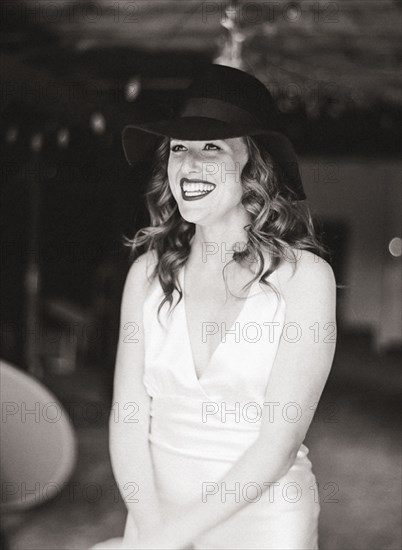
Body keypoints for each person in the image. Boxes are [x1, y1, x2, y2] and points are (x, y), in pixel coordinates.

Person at [91, 64, 337, 550]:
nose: (188, 165)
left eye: (212, 148)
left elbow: (277, 445)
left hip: (263, 521)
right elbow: (128, 415)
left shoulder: (305, 280)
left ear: (255, 167)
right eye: (179, 148)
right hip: (155, 514)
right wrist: (149, 526)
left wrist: (166, 542)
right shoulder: (147, 272)